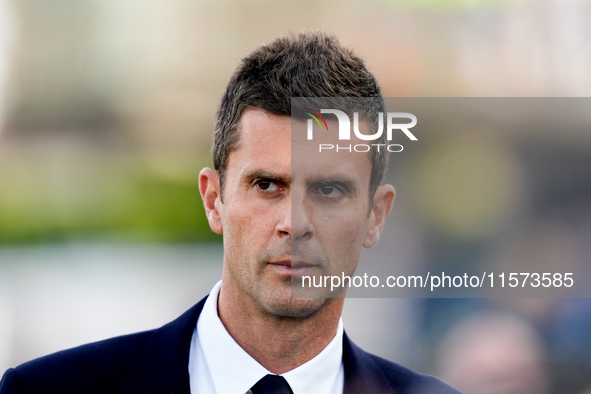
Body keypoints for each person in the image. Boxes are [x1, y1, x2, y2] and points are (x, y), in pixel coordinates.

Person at [0, 31, 458, 393]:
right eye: (266, 185)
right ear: (213, 199)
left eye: (329, 190)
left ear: (376, 216)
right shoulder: (46, 389)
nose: (294, 223)